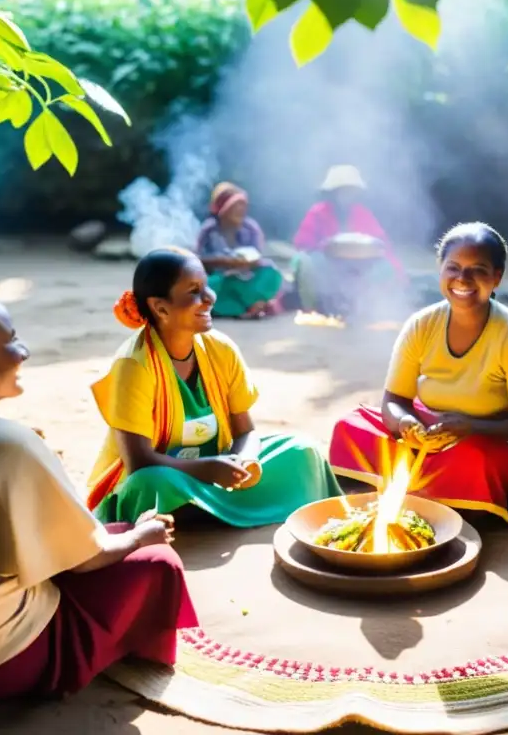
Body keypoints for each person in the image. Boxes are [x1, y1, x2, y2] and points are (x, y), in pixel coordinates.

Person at [0, 291, 197, 705]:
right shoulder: (5, 444)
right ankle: (123, 654)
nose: (25, 351)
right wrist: (145, 536)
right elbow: (88, 557)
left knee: (112, 533)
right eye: (12, 340)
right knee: (157, 564)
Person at [86, 247, 342, 524]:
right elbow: (139, 462)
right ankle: (220, 510)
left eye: (206, 287)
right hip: (171, 478)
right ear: (160, 307)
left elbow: (245, 430)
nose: (209, 298)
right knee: (149, 485)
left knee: (302, 451)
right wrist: (206, 470)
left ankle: (205, 512)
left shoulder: (221, 348)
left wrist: (243, 461)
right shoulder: (134, 365)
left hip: (218, 468)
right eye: (194, 291)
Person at [329, 222, 508, 523]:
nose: (463, 279)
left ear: (497, 277)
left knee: (473, 461)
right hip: (428, 430)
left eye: (478, 269)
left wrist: (471, 427)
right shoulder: (421, 324)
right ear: (440, 269)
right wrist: (406, 423)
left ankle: (428, 489)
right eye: (454, 267)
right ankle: (438, 489)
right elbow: (394, 399)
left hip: (488, 439)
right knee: (350, 425)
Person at [291, 164, 406, 316]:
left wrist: (396, 269)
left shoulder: (362, 213)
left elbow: (381, 243)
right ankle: (312, 308)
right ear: (332, 192)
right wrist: (325, 246)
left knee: (384, 267)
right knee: (305, 261)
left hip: (358, 264)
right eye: (342, 191)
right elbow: (302, 243)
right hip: (325, 262)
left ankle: (368, 308)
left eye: (350, 191)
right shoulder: (317, 213)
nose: (347, 195)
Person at [196, 181, 284, 319]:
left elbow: (257, 256)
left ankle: (254, 304)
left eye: (243, 205)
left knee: (271, 273)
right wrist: (224, 261)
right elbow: (198, 260)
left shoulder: (250, 228)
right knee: (204, 288)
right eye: (236, 205)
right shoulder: (209, 229)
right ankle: (244, 308)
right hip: (222, 281)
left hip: (247, 279)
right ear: (222, 209)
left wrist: (247, 262)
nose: (241, 209)